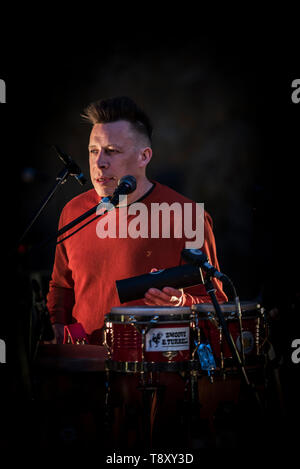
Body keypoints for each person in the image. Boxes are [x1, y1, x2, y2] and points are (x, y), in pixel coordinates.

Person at [46, 96, 227, 344]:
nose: (99, 163)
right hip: (82, 369)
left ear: (144, 156)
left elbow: (216, 305)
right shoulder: (73, 211)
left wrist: (183, 303)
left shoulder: (187, 215)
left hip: (153, 373)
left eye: (112, 151)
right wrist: (57, 325)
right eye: (93, 151)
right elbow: (61, 287)